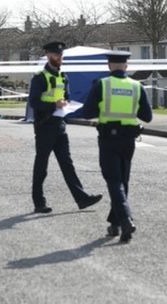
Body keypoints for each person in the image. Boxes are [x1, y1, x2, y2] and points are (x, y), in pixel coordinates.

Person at [77, 51, 152, 243]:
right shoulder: (137, 86)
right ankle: (116, 224)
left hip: (109, 138)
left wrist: (101, 108)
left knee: (114, 181)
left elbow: (87, 113)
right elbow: (147, 116)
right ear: (126, 66)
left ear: (109, 66)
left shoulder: (102, 84)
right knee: (122, 181)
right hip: (128, 140)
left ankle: (126, 220)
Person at [28, 41, 102, 214]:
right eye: (57, 55)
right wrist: (55, 105)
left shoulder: (63, 76)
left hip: (60, 126)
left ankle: (82, 198)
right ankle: (39, 202)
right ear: (48, 55)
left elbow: (66, 97)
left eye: (61, 55)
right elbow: (34, 102)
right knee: (42, 166)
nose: (60, 58)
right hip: (44, 126)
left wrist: (67, 103)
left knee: (67, 164)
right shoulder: (39, 77)